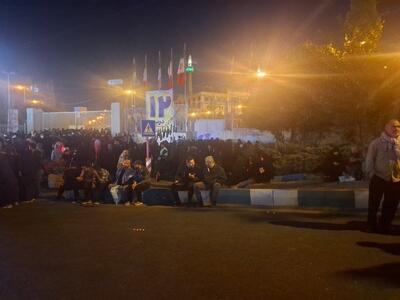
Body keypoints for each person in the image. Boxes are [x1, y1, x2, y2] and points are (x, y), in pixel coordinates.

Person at [366, 119, 400, 233]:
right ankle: (371, 225)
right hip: (379, 177)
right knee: (373, 204)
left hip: (396, 179)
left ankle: (385, 224)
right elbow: (370, 159)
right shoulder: (376, 142)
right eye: (393, 126)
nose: (396, 128)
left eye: (398, 126)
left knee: (391, 204)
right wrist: (371, 173)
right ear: (386, 127)